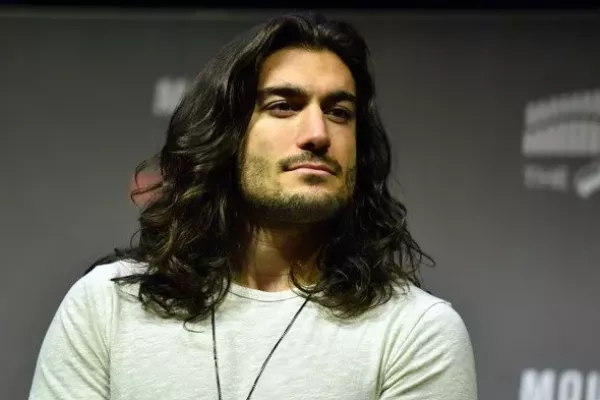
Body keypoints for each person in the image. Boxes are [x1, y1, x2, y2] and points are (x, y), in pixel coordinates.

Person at [29, 12, 477, 400]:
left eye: (339, 112)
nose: (318, 133)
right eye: (284, 106)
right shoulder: (107, 306)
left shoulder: (416, 330)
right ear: (226, 133)